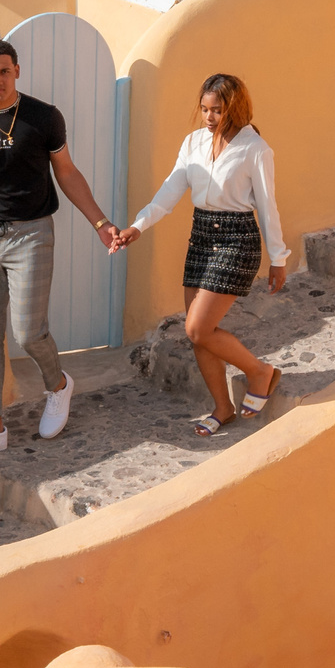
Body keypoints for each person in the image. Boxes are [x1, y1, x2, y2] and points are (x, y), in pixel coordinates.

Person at [0, 39, 119, 460]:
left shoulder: (44, 118)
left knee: (28, 330)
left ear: (16, 71)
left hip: (32, 234)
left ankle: (58, 385)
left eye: (4, 71)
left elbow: (68, 173)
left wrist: (101, 223)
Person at [113, 73, 287, 436]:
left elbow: (268, 207)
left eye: (217, 110)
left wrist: (278, 258)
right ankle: (222, 408)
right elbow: (169, 190)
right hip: (201, 238)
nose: (209, 117)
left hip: (237, 240)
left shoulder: (255, 149)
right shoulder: (193, 143)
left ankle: (259, 372)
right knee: (199, 334)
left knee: (196, 326)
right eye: (205, 109)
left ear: (234, 108)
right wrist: (138, 226)